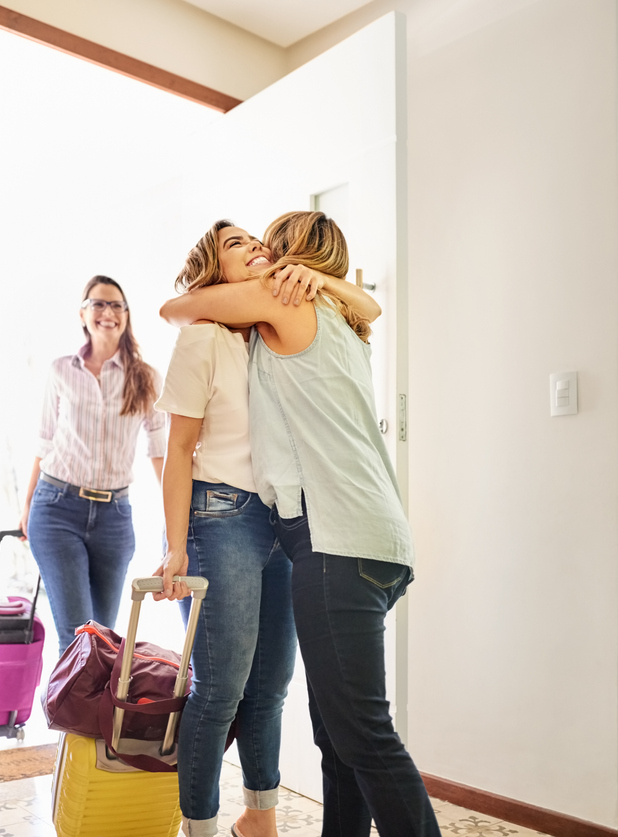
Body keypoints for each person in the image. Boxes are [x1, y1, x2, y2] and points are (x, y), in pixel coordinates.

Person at [160, 212, 439, 837]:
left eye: (267, 243)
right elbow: (371, 303)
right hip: (365, 538)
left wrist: (298, 279)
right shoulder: (345, 323)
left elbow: (173, 305)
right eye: (243, 244)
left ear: (293, 262)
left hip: (335, 539)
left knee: (360, 733)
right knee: (338, 732)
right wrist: (330, 283)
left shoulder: (279, 303)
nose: (259, 250)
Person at [19, 275, 166, 656]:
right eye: (98, 304)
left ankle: (89, 717)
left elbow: (160, 449)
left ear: (127, 316)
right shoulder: (60, 370)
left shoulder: (145, 378)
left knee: (102, 641)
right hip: (57, 508)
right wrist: (28, 504)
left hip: (114, 518)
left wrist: (176, 517)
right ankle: (69, 719)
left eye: (116, 305)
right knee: (77, 637)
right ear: (83, 314)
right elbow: (44, 440)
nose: (107, 312)